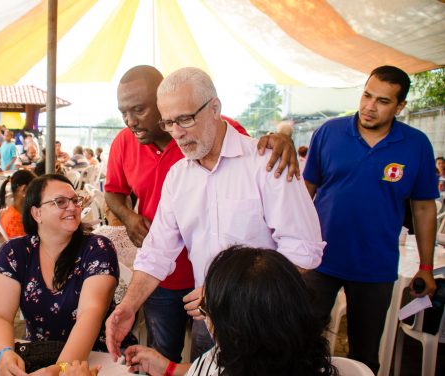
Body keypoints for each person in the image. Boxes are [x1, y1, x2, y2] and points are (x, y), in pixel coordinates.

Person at [106, 67, 324, 362]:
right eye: (169, 122)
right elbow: (157, 252)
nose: (177, 133)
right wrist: (129, 306)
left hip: (268, 319)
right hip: (209, 321)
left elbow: (304, 249)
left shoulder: (265, 163)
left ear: (214, 109)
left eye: (185, 119)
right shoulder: (178, 176)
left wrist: (228, 291)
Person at [302, 65, 438, 373]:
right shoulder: (329, 132)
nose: (369, 106)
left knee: (364, 352)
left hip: (375, 267)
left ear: (400, 106)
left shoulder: (415, 145)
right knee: (301, 341)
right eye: (366, 95)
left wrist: (427, 268)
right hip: (318, 261)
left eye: (382, 101)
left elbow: (424, 208)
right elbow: (303, 193)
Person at [0, 174, 131, 375]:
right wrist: (4, 355)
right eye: (60, 202)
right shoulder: (15, 252)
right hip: (40, 355)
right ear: (37, 213)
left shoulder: (98, 248)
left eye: (75, 200)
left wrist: (58, 369)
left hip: (98, 359)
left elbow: (90, 314)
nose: (72, 207)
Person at [122, 247, 338, 376]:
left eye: (206, 308)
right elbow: (212, 366)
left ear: (237, 329)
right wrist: (168, 368)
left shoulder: (232, 351)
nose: (205, 318)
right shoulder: (245, 354)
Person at [0, 169, 36, 239]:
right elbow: (23, 248)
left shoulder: (14, 211)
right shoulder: (15, 221)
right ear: (24, 189)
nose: (37, 194)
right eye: (35, 190)